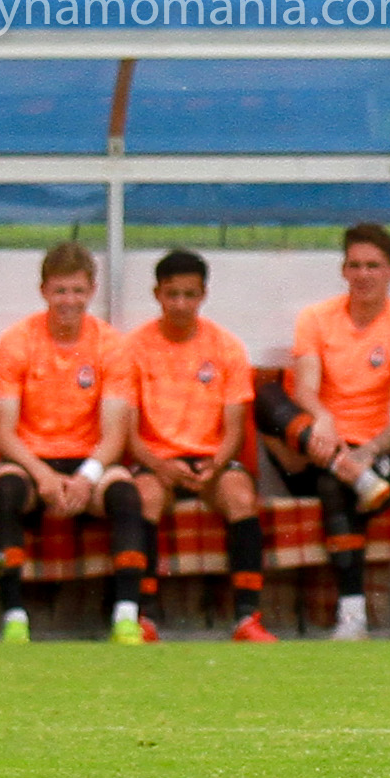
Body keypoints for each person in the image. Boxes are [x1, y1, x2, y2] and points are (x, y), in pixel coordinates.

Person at [257, 222, 390, 641]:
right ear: (343, 270)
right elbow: (306, 391)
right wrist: (323, 419)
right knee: (266, 396)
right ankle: (343, 469)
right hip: (316, 445)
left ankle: (352, 616)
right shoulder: (316, 318)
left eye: (373, 266)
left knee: (335, 484)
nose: (363, 274)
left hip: (374, 461)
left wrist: (363, 456)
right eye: (355, 265)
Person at [0, 240, 153, 643]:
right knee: (5, 491)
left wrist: (85, 477)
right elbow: (3, 431)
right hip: (29, 459)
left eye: (78, 290)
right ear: (44, 290)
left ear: (92, 290)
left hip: (88, 460)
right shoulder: (17, 341)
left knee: (126, 496)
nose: (69, 300)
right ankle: (13, 616)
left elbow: (114, 434)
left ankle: (126, 616)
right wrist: (43, 475)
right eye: (60, 290)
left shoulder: (111, 345)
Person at [124, 249, 274, 643]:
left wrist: (215, 465)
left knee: (241, 497)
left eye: (189, 295)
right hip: (157, 461)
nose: (180, 304)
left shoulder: (226, 347)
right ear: (157, 294)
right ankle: (144, 616)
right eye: (172, 294)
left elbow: (234, 429)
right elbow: (128, 431)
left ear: (203, 295)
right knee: (144, 499)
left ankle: (247, 617)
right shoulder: (134, 348)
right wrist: (160, 465)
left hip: (211, 461)